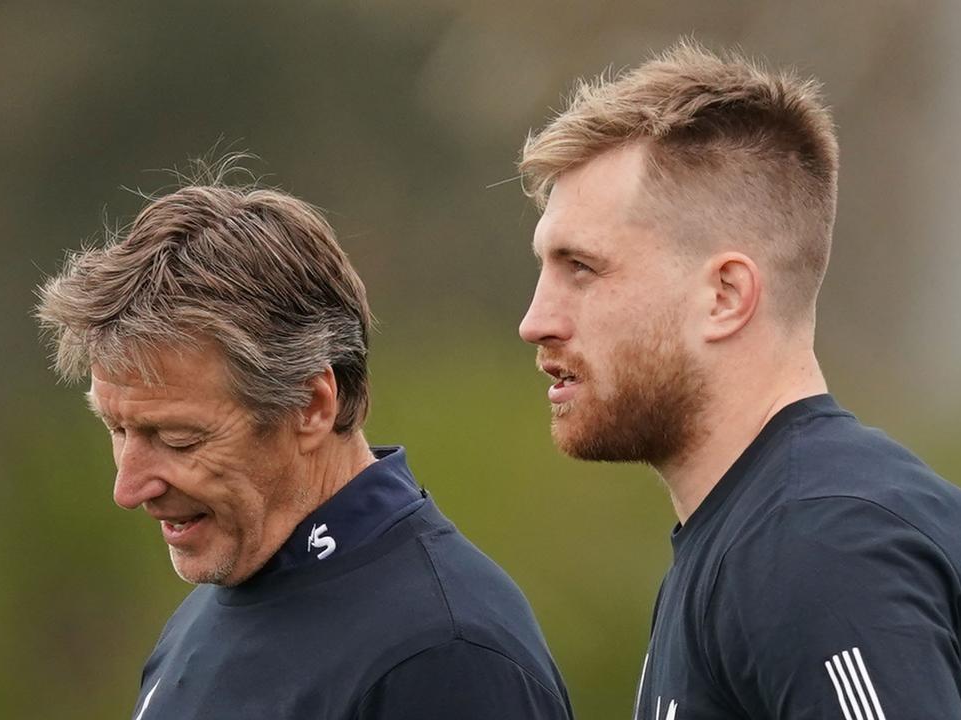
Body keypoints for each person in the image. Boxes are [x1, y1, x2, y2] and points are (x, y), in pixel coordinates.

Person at [516, 40, 961, 720]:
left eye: (582, 267)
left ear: (725, 296)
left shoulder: (816, 548)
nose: (536, 320)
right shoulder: (761, 535)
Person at [36, 177, 574, 719]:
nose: (129, 489)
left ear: (312, 405)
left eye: (179, 439)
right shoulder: (217, 597)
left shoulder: (444, 657)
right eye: (118, 430)